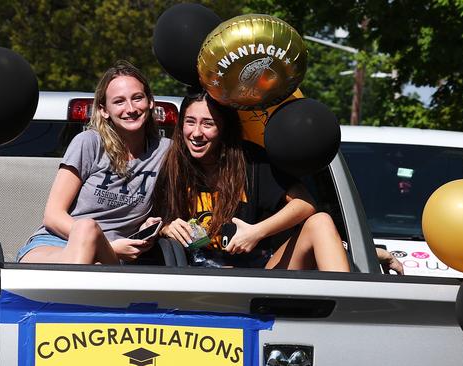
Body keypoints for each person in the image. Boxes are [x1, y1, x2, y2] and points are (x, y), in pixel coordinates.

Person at [153, 91, 350, 272]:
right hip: (195, 280)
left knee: (320, 222)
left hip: (256, 280)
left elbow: (305, 205)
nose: (196, 133)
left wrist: (256, 232)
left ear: (224, 128)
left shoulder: (251, 161)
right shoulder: (170, 163)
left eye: (208, 123)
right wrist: (166, 228)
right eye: (190, 122)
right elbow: (146, 220)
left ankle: (348, 306)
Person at [17, 60, 169, 264]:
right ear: (104, 110)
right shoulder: (89, 143)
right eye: (119, 101)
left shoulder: (165, 152)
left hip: (109, 258)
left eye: (137, 98)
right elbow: (53, 216)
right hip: (57, 242)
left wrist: (154, 225)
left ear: (150, 102)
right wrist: (102, 243)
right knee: (86, 227)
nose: (130, 108)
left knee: (88, 254)